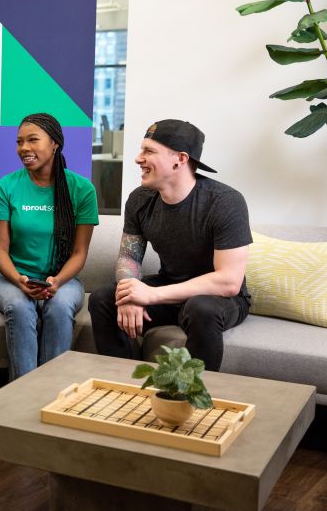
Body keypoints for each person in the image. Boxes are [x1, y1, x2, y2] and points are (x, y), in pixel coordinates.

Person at [88, 119, 251, 371]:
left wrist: (151, 294)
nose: (138, 159)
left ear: (180, 159)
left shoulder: (225, 202)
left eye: (149, 151)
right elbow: (129, 258)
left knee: (201, 308)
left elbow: (229, 282)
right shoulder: (140, 200)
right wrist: (130, 293)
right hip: (171, 287)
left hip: (217, 298)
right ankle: (123, 385)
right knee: (103, 299)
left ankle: (194, 400)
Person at [0, 113, 98, 380]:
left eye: (33, 140)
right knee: (20, 306)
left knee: (59, 307)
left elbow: (79, 253)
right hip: (11, 278)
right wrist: (19, 279)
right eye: (19, 142)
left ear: (55, 144)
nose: (24, 148)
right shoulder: (7, 186)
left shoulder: (81, 190)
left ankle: (52, 392)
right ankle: (22, 394)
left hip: (62, 278)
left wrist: (57, 281)